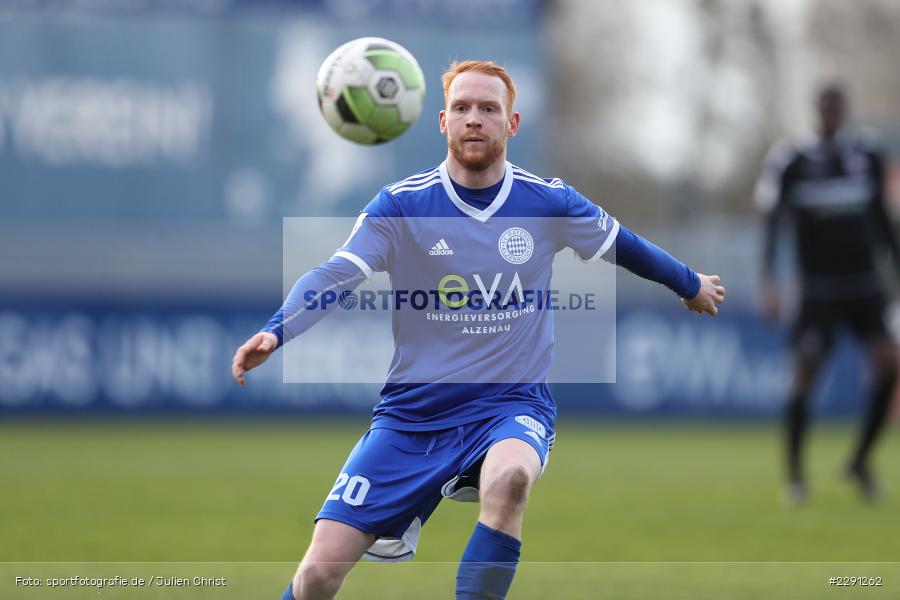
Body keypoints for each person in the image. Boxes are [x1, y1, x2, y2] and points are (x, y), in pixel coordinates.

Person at [232, 60, 725, 600]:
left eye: (489, 109)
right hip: (411, 416)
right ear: (442, 121)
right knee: (317, 576)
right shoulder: (402, 204)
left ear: (512, 124)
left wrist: (688, 282)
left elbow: (624, 245)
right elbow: (337, 273)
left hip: (510, 405)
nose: (474, 119)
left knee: (510, 480)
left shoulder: (548, 201)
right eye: (463, 108)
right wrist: (278, 331)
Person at [757, 84, 899, 506]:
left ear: (844, 111)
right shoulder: (793, 160)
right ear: (817, 112)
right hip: (816, 286)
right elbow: (772, 223)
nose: (831, 116)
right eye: (825, 110)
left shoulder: (868, 155)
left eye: (837, 109)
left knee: (890, 363)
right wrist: (770, 281)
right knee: (806, 371)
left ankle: (859, 459)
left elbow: (885, 224)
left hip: (865, 284)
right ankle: (796, 477)